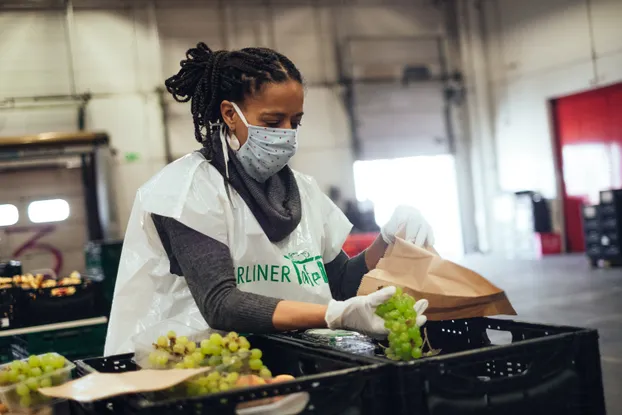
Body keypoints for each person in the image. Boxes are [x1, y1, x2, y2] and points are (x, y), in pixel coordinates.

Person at [104, 43, 434, 355]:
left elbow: (338, 286)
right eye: (273, 122)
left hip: (283, 366)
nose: (287, 133)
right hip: (199, 368)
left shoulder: (303, 192)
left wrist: (386, 242)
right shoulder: (188, 190)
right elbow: (221, 304)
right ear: (230, 114)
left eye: (296, 121)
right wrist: (334, 315)